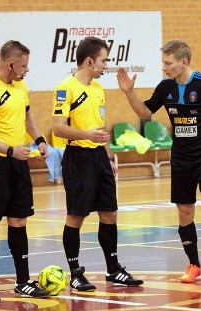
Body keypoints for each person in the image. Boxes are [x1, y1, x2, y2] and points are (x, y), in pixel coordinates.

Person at [117, 39, 201, 285]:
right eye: (163, 63)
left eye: (168, 63)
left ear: (184, 61)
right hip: (180, 160)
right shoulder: (165, 87)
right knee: (184, 212)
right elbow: (145, 114)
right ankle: (194, 265)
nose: (164, 68)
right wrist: (129, 93)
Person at [53, 36, 143, 291]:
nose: (106, 66)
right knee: (76, 216)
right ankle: (75, 272)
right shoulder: (65, 88)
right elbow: (58, 129)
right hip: (78, 158)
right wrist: (86, 135)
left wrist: (108, 155)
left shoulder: (97, 89)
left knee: (109, 213)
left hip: (98, 158)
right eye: (103, 60)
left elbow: (100, 128)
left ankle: (113, 269)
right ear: (90, 61)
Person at [0, 40, 50, 301]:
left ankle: (23, 281)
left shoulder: (20, 85)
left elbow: (28, 115)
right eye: (24, 66)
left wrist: (39, 139)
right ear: (11, 63)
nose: (27, 70)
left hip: (18, 162)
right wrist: (8, 150)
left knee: (19, 221)